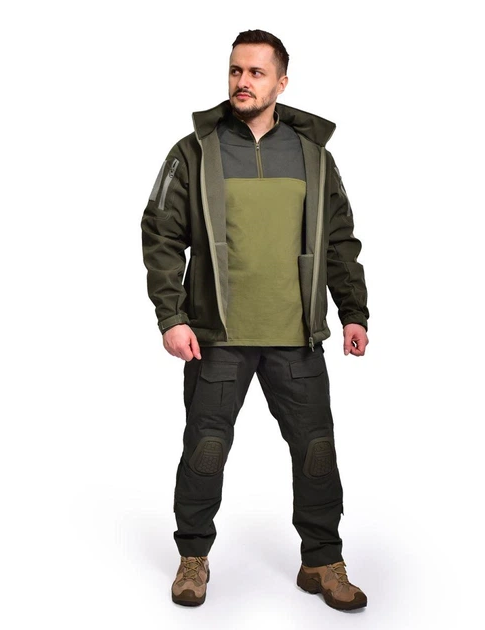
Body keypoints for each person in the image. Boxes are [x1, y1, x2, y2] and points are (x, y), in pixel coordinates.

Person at [140, 29, 370, 611]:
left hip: (297, 338)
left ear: (281, 82)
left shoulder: (314, 155)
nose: (242, 82)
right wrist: (171, 316)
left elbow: (340, 239)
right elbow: (160, 235)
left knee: (317, 453)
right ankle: (194, 556)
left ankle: (322, 560)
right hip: (216, 337)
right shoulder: (194, 151)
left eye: (256, 73)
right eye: (236, 71)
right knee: (205, 450)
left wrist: (353, 311)